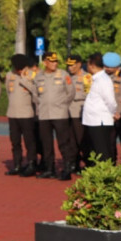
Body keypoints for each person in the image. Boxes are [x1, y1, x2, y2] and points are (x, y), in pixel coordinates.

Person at [34, 51, 76, 180]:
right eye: (51, 61)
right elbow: (35, 95)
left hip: (59, 114)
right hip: (44, 114)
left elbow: (71, 93)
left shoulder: (63, 75)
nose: (54, 64)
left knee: (64, 143)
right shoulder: (38, 76)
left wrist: (62, 105)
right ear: (45, 62)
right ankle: (49, 169)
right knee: (46, 143)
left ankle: (67, 168)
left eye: (56, 61)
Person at [5, 54, 39, 177]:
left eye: (21, 67)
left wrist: (24, 79)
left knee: (29, 141)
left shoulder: (32, 75)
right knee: (15, 141)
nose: (18, 70)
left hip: (27, 113)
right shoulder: (9, 75)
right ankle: (17, 164)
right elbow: (9, 92)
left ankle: (31, 163)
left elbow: (36, 92)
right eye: (16, 68)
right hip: (13, 113)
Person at [82, 52, 117, 162]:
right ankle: (97, 173)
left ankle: (105, 176)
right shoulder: (96, 78)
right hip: (93, 120)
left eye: (88, 64)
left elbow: (110, 101)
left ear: (92, 65)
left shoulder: (103, 80)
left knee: (102, 151)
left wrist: (112, 113)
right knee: (95, 150)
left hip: (100, 120)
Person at [103, 52, 121, 165]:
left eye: (109, 67)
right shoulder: (103, 75)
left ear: (116, 66)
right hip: (108, 115)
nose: (106, 68)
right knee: (109, 142)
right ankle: (112, 164)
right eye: (105, 66)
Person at [66, 54, 91, 172]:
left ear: (79, 64)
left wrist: (73, 96)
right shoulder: (67, 77)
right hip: (67, 112)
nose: (70, 68)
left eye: (73, 65)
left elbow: (89, 94)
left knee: (82, 140)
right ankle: (73, 163)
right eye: (69, 65)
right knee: (71, 141)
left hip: (80, 112)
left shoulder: (86, 77)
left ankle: (88, 163)